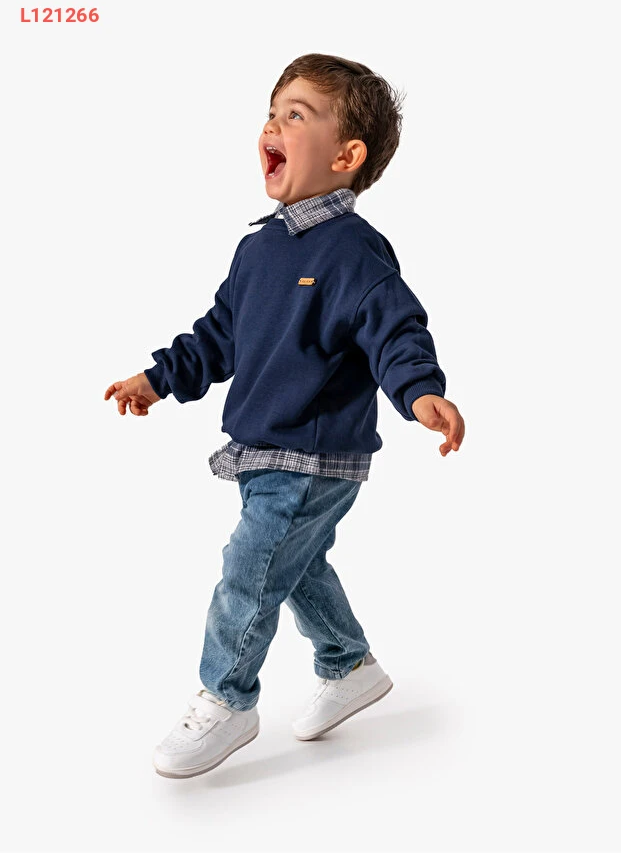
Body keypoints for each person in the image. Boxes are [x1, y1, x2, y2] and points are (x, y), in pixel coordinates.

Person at [104, 53, 465, 780]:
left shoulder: (354, 251)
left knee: (249, 568)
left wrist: (419, 391)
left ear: (345, 156)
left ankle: (226, 698)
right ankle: (350, 664)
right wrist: (157, 378)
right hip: (261, 447)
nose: (272, 125)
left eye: (295, 115)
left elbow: (395, 327)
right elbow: (218, 337)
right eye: (271, 113)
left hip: (314, 450)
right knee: (293, 564)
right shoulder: (258, 249)